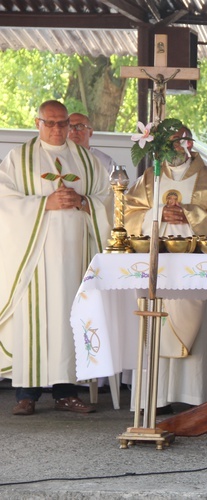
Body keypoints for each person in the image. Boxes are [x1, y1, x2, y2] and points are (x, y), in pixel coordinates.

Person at [0, 100, 112, 416]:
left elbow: (107, 198)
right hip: (34, 254)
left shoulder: (87, 162)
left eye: (63, 123)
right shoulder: (18, 159)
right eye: (50, 122)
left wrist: (85, 201)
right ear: (37, 123)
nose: (58, 129)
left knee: (68, 319)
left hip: (75, 255)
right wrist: (43, 205)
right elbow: (4, 200)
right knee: (32, 320)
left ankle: (66, 392)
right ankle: (26, 394)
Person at [124, 125, 207, 411]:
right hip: (157, 266)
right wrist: (158, 213)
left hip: (196, 266)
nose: (176, 146)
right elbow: (128, 215)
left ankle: (195, 398)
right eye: (171, 141)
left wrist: (189, 213)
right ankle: (155, 399)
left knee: (197, 334)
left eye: (182, 140)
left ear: (190, 143)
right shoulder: (150, 177)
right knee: (156, 326)